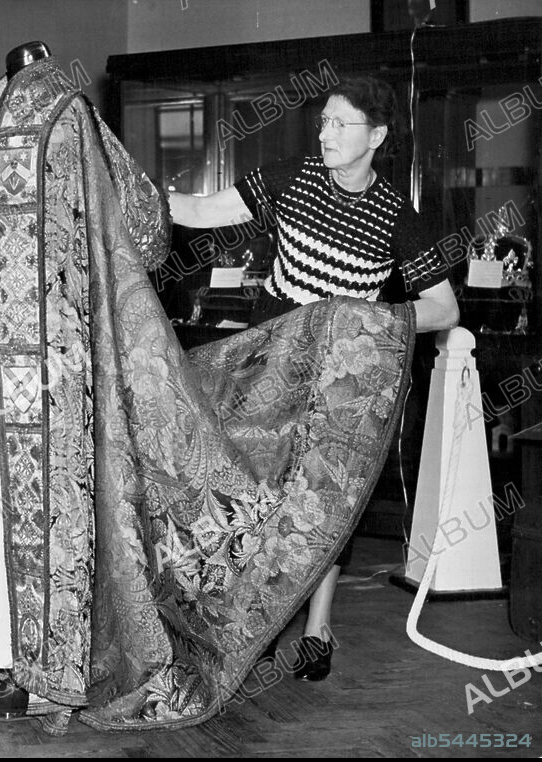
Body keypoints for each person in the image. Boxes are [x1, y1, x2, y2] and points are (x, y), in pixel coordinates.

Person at [169, 75, 459, 680]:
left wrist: (358, 318)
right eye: (322, 121)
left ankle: (317, 630)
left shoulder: (395, 216)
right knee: (256, 489)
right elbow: (198, 211)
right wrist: (126, 185)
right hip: (269, 362)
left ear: (375, 136)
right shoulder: (290, 178)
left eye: (339, 124)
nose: (325, 134)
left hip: (340, 384)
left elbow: (443, 307)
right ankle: (253, 623)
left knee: (327, 498)